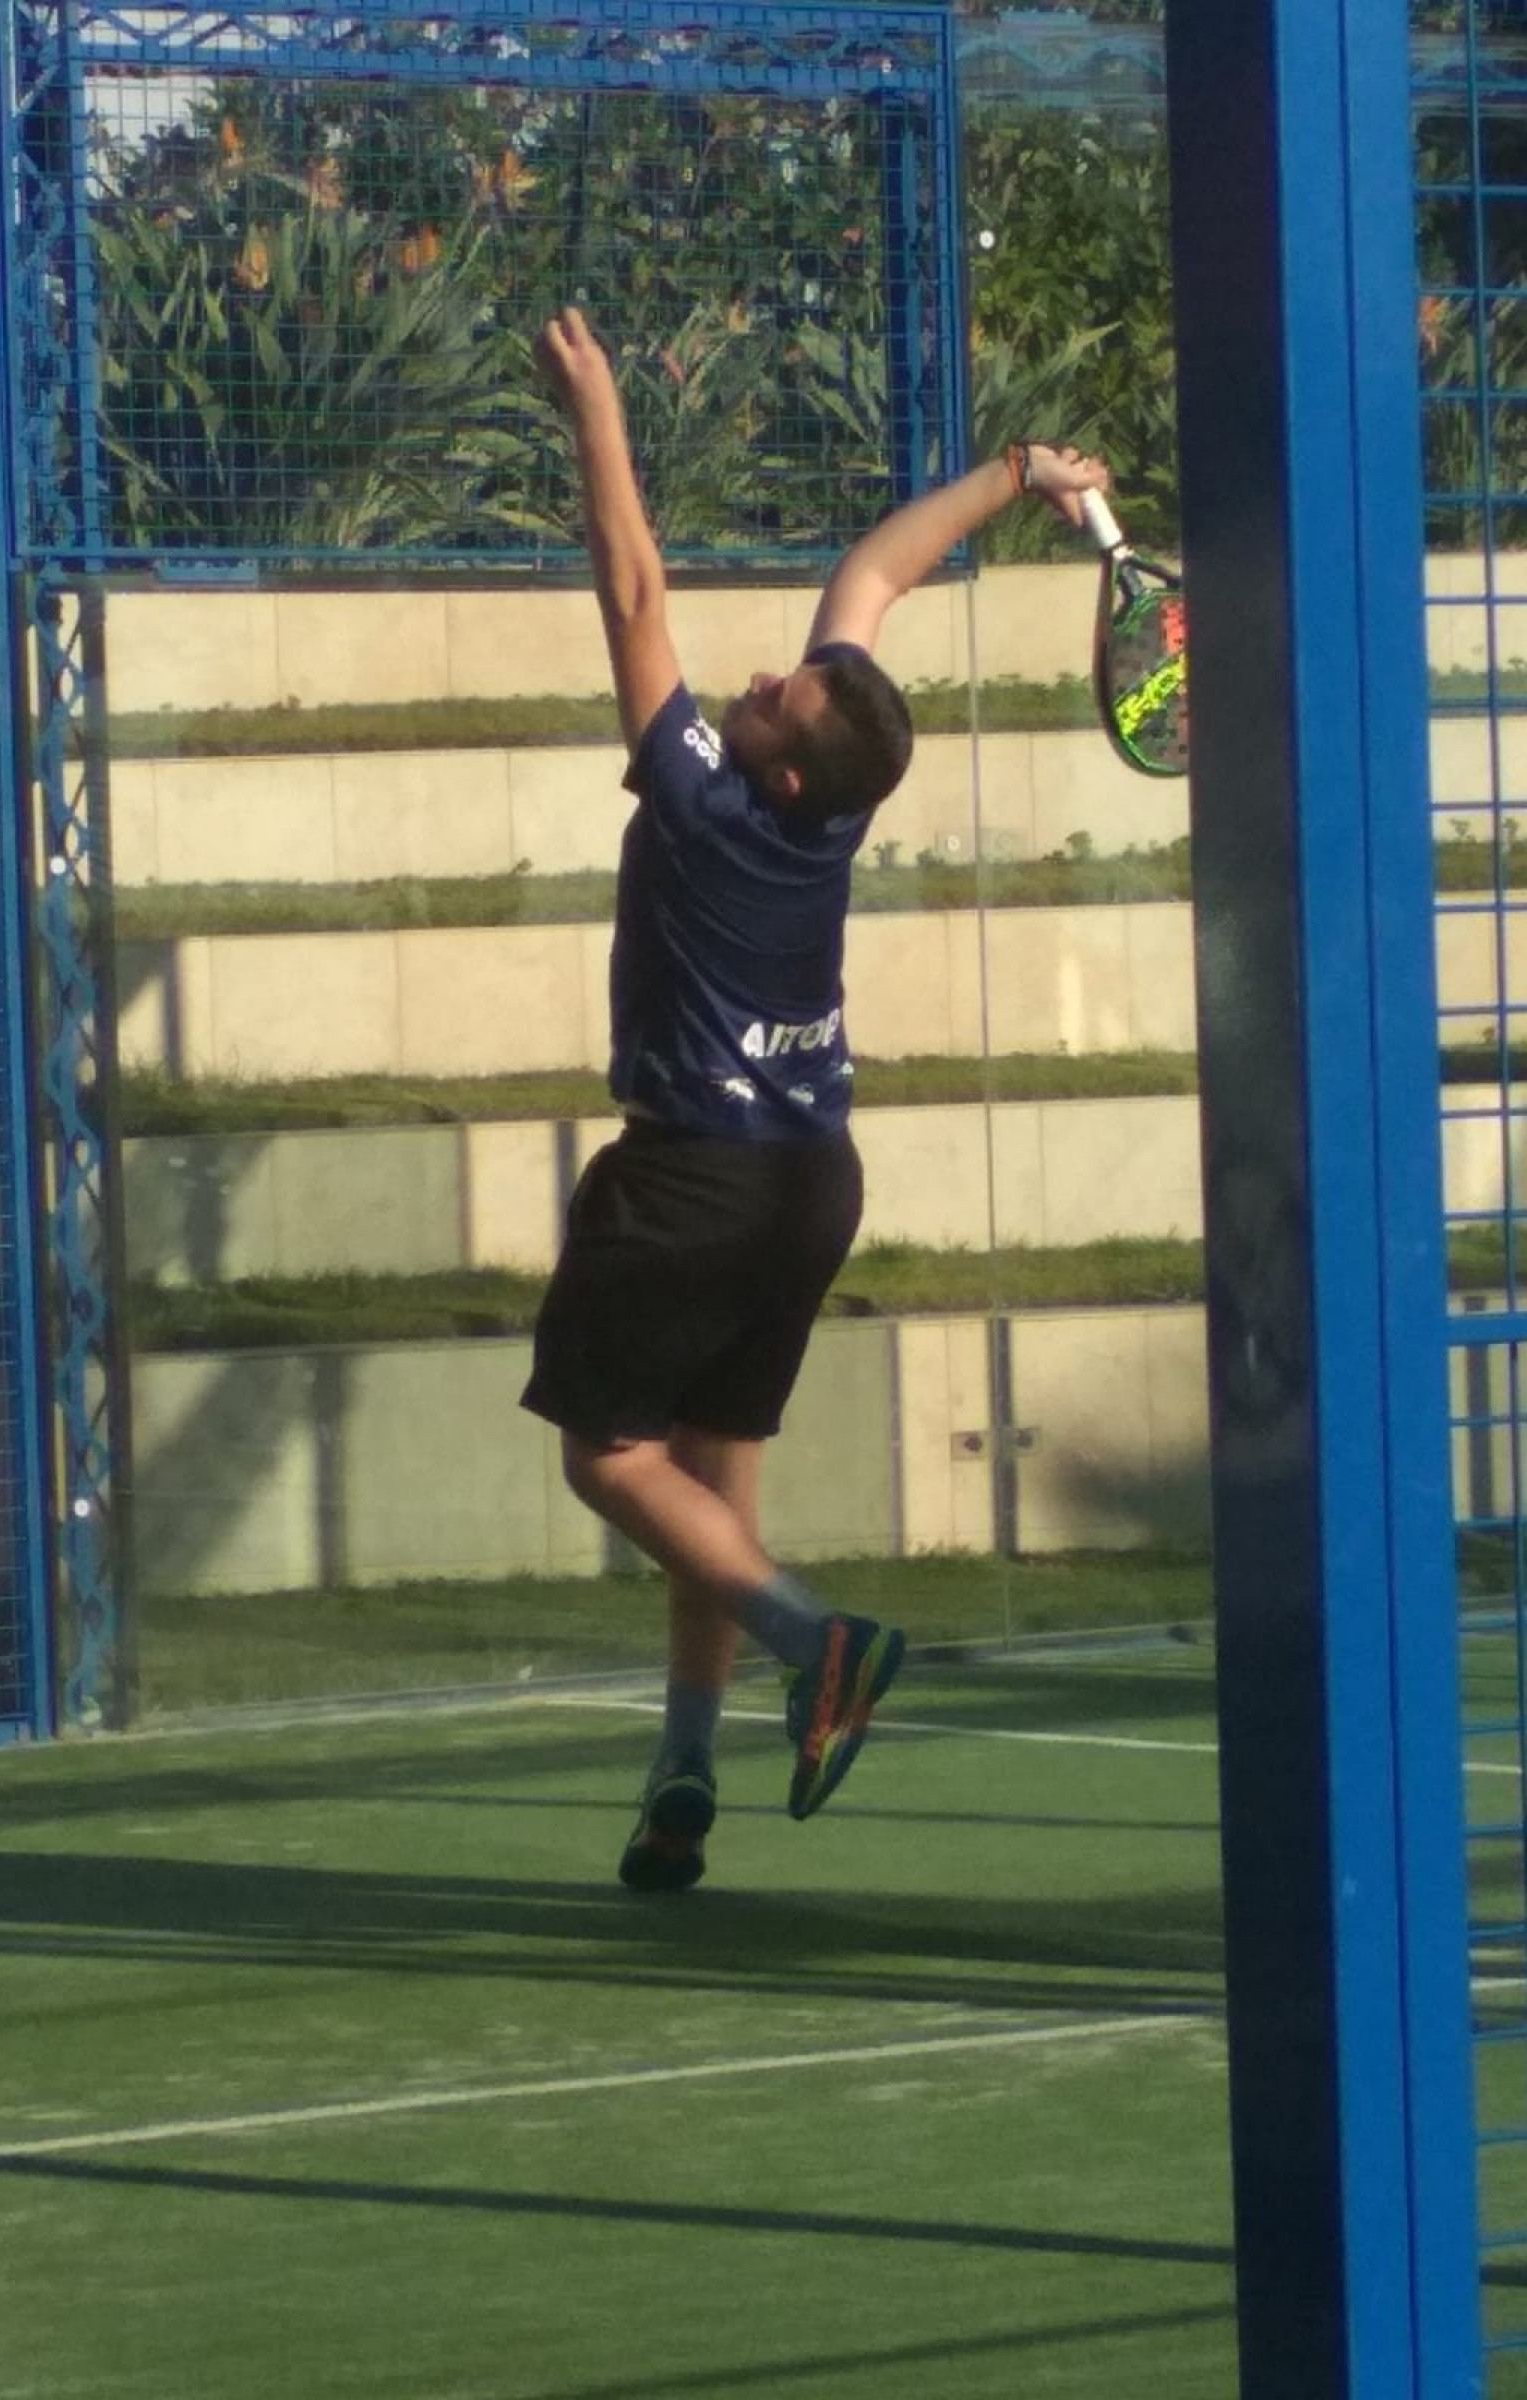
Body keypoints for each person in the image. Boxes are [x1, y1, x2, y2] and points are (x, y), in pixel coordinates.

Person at [521, 303, 1108, 1891]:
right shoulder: (825, 802)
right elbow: (876, 576)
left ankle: (813, 1641)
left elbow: (632, 588)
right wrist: (1017, 473)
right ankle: (680, 1777)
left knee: (607, 1461)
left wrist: (597, 413)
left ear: (783, 767)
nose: (772, 674)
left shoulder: (707, 804)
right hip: (809, 1183)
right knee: (710, 1489)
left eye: (782, 694)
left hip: (693, 1182)